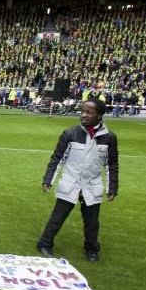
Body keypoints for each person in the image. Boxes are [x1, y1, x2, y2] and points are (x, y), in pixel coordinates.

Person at [37, 98, 119, 262]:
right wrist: (48, 179)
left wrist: (112, 188)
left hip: (92, 185)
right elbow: (57, 158)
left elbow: (112, 164)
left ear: (100, 115)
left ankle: (92, 249)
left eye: (89, 112)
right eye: (82, 111)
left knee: (92, 222)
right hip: (71, 182)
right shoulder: (70, 133)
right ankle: (44, 244)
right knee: (57, 217)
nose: (83, 115)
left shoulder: (109, 137)